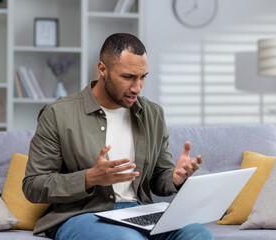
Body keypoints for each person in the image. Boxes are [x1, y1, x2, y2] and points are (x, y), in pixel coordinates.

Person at [22, 33, 214, 240]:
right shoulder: (58, 114)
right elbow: (33, 185)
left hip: (139, 211)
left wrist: (175, 178)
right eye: (128, 77)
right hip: (84, 215)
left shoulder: (153, 113)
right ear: (103, 69)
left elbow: (160, 176)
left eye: (142, 77)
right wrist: (90, 178)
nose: (137, 88)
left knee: (197, 233)